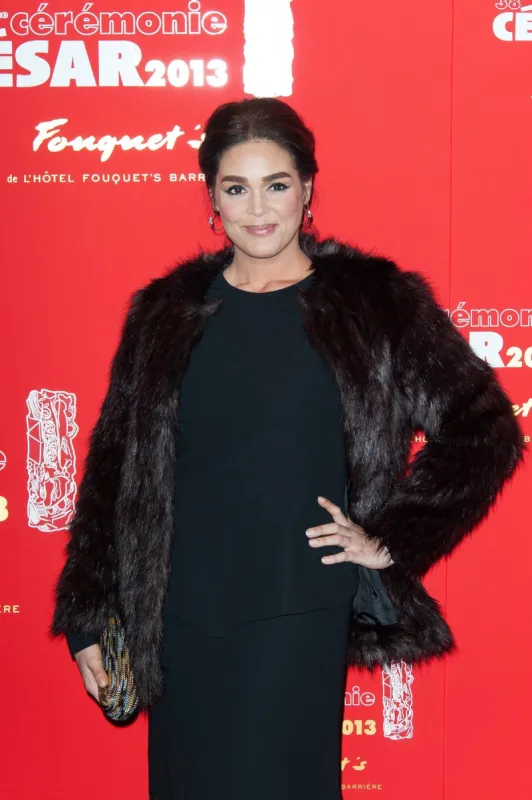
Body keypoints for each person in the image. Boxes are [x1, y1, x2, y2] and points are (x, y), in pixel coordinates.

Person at [49, 98, 526, 800]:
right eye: (236, 189)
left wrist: (391, 539)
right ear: (211, 197)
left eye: (277, 184)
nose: (258, 208)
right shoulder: (165, 312)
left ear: (308, 188)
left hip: (298, 605)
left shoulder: (375, 303)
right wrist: (91, 610)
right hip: (181, 611)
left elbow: (486, 427)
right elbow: (113, 470)